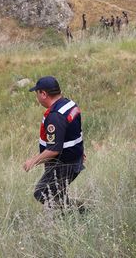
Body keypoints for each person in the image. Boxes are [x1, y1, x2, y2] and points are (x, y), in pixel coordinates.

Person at [23, 76, 85, 208]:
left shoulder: (56, 116)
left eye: (37, 93)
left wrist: (33, 161)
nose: (37, 97)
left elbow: (54, 149)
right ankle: (71, 216)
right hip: (74, 159)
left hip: (64, 164)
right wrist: (80, 152)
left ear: (43, 94)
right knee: (57, 194)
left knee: (42, 193)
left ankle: (82, 211)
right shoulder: (69, 104)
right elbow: (76, 132)